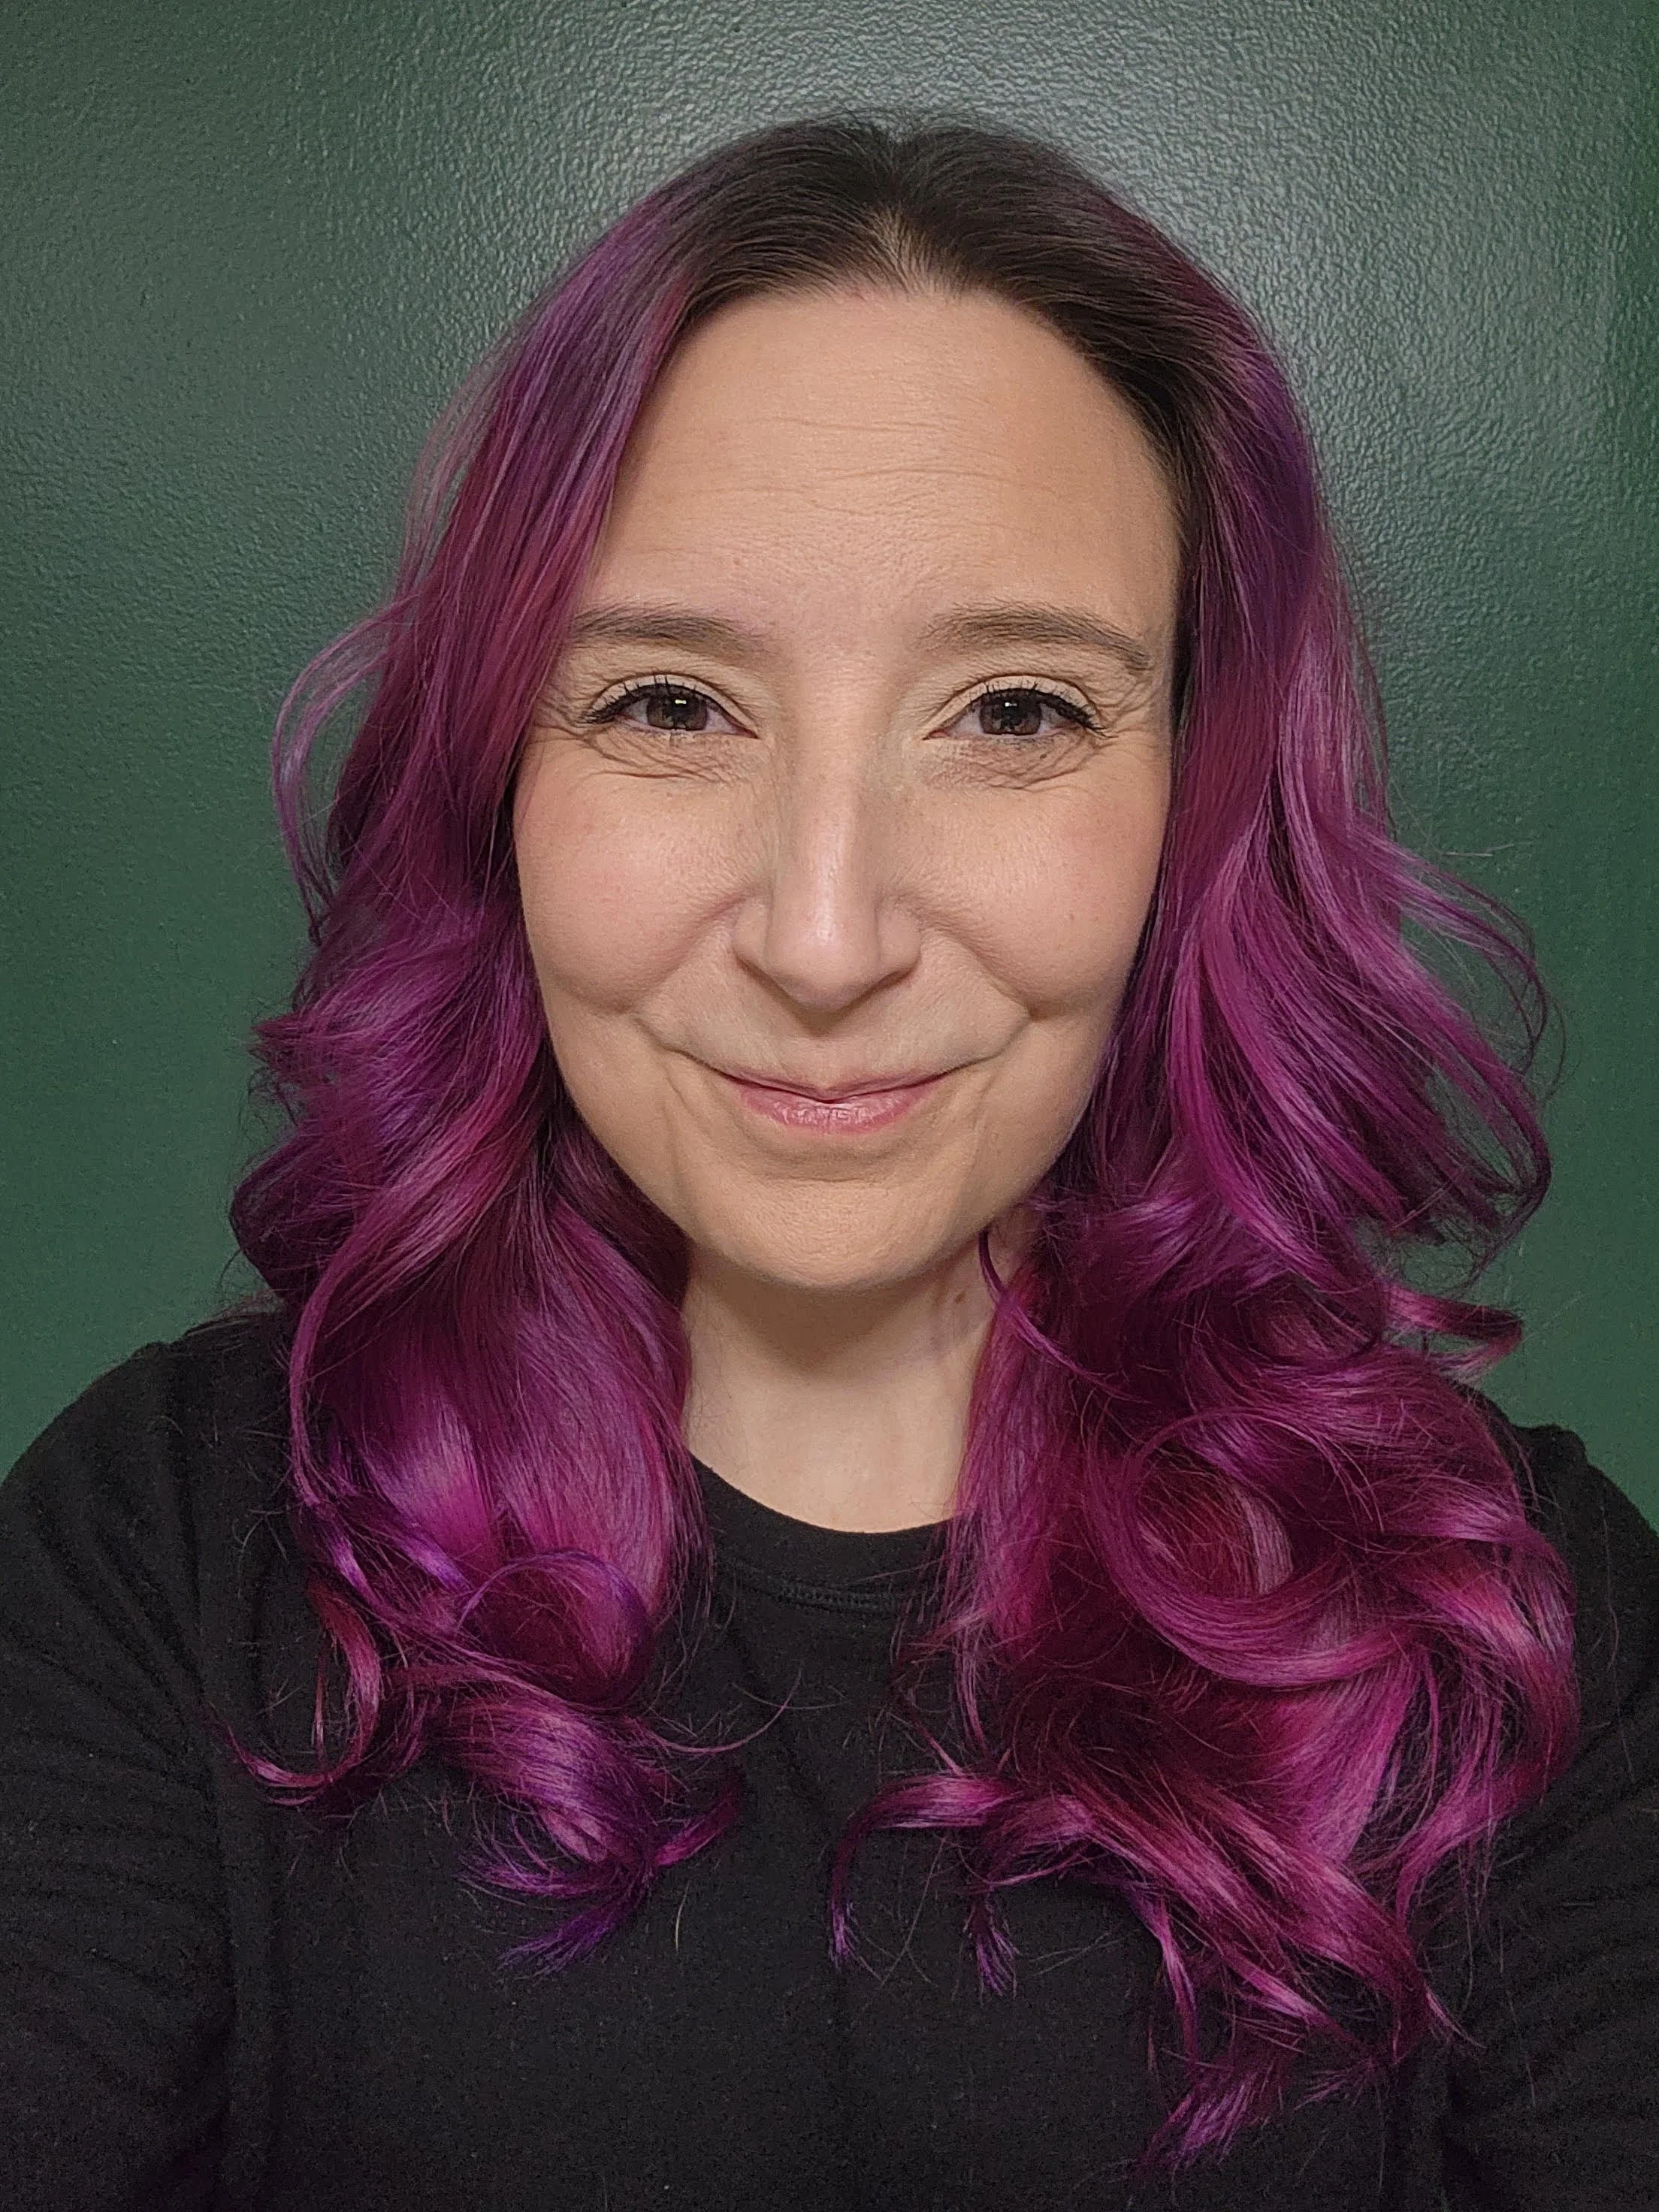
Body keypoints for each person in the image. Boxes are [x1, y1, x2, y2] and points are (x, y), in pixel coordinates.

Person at [1, 113, 1654, 2212]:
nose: (827, 934)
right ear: (498, 772)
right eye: (675, 704)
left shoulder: (1517, 1628)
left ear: (1192, 804)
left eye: (1018, 713)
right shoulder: (161, 1558)